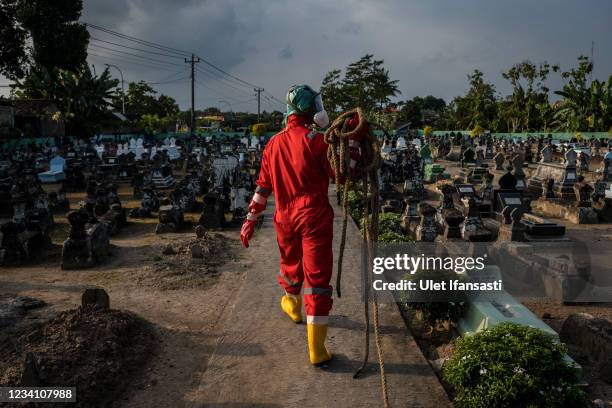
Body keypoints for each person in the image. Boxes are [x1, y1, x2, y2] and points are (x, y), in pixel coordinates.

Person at [240, 85, 365, 367]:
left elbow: (262, 188)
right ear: (309, 110)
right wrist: (354, 141)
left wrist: (249, 220)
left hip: (284, 218)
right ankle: (317, 350)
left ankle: (293, 306)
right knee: (318, 281)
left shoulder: (272, 144)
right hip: (314, 216)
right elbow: (345, 175)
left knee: (290, 266)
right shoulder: (317, 142)